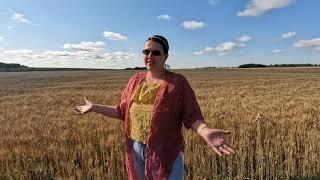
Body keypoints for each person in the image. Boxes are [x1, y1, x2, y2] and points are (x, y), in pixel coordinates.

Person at [74, 35, 235, 180]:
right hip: (135, 149)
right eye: (146, 52)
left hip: (165, 153)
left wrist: (205, 131)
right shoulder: (135, 80)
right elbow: (122, 111)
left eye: (156, 52)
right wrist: (94, 107)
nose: (150, 56)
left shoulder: (177, 83)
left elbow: (191, 116)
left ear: (165, 56)